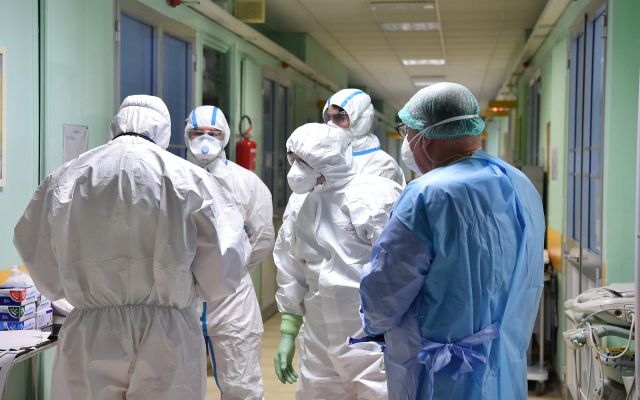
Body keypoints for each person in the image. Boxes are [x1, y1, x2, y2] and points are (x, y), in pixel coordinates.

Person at [13, 95, 248, 400]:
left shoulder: (68, 176)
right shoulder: (190, 179)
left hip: (91, 331)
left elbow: (33, 245)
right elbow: (224, 259)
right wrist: (196, 288)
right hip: (168, 332)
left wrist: (65, 287)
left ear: (116, 124)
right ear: (163, 130)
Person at [359, 82, 545, 400]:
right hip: (503, 366)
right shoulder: (519, 183)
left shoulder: (427, 194)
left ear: (427, 137)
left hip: (440, 373)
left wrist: (372, 324)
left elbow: (385, 293)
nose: (406, 141)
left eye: (407, 131)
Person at [273, 123, 403, 400]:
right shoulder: (300, 203)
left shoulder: (373, 196)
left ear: (329, 162)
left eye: (304, 162)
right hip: (318, 334)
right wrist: (288, 329)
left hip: (372, 335)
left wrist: (401, 333)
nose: (295, 170)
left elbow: (400, 269)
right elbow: (290, 266)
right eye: (293, 159)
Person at [184, 105, 275, 400]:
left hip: (233, 302)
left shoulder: (247, 183)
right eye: (197, 133)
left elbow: (262, 238)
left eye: (213, 133)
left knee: (241, 385)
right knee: (176, 385)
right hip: (181, 298)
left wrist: (230, 270)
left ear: (224, 136)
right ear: (186, 135)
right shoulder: (173, 177)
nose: (205, 139)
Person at [322, 88, 405, 186]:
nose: (331, 123)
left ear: (361, 120)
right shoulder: (324, 155)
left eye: (339, 117)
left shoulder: (383, 165)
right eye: (328, 117)